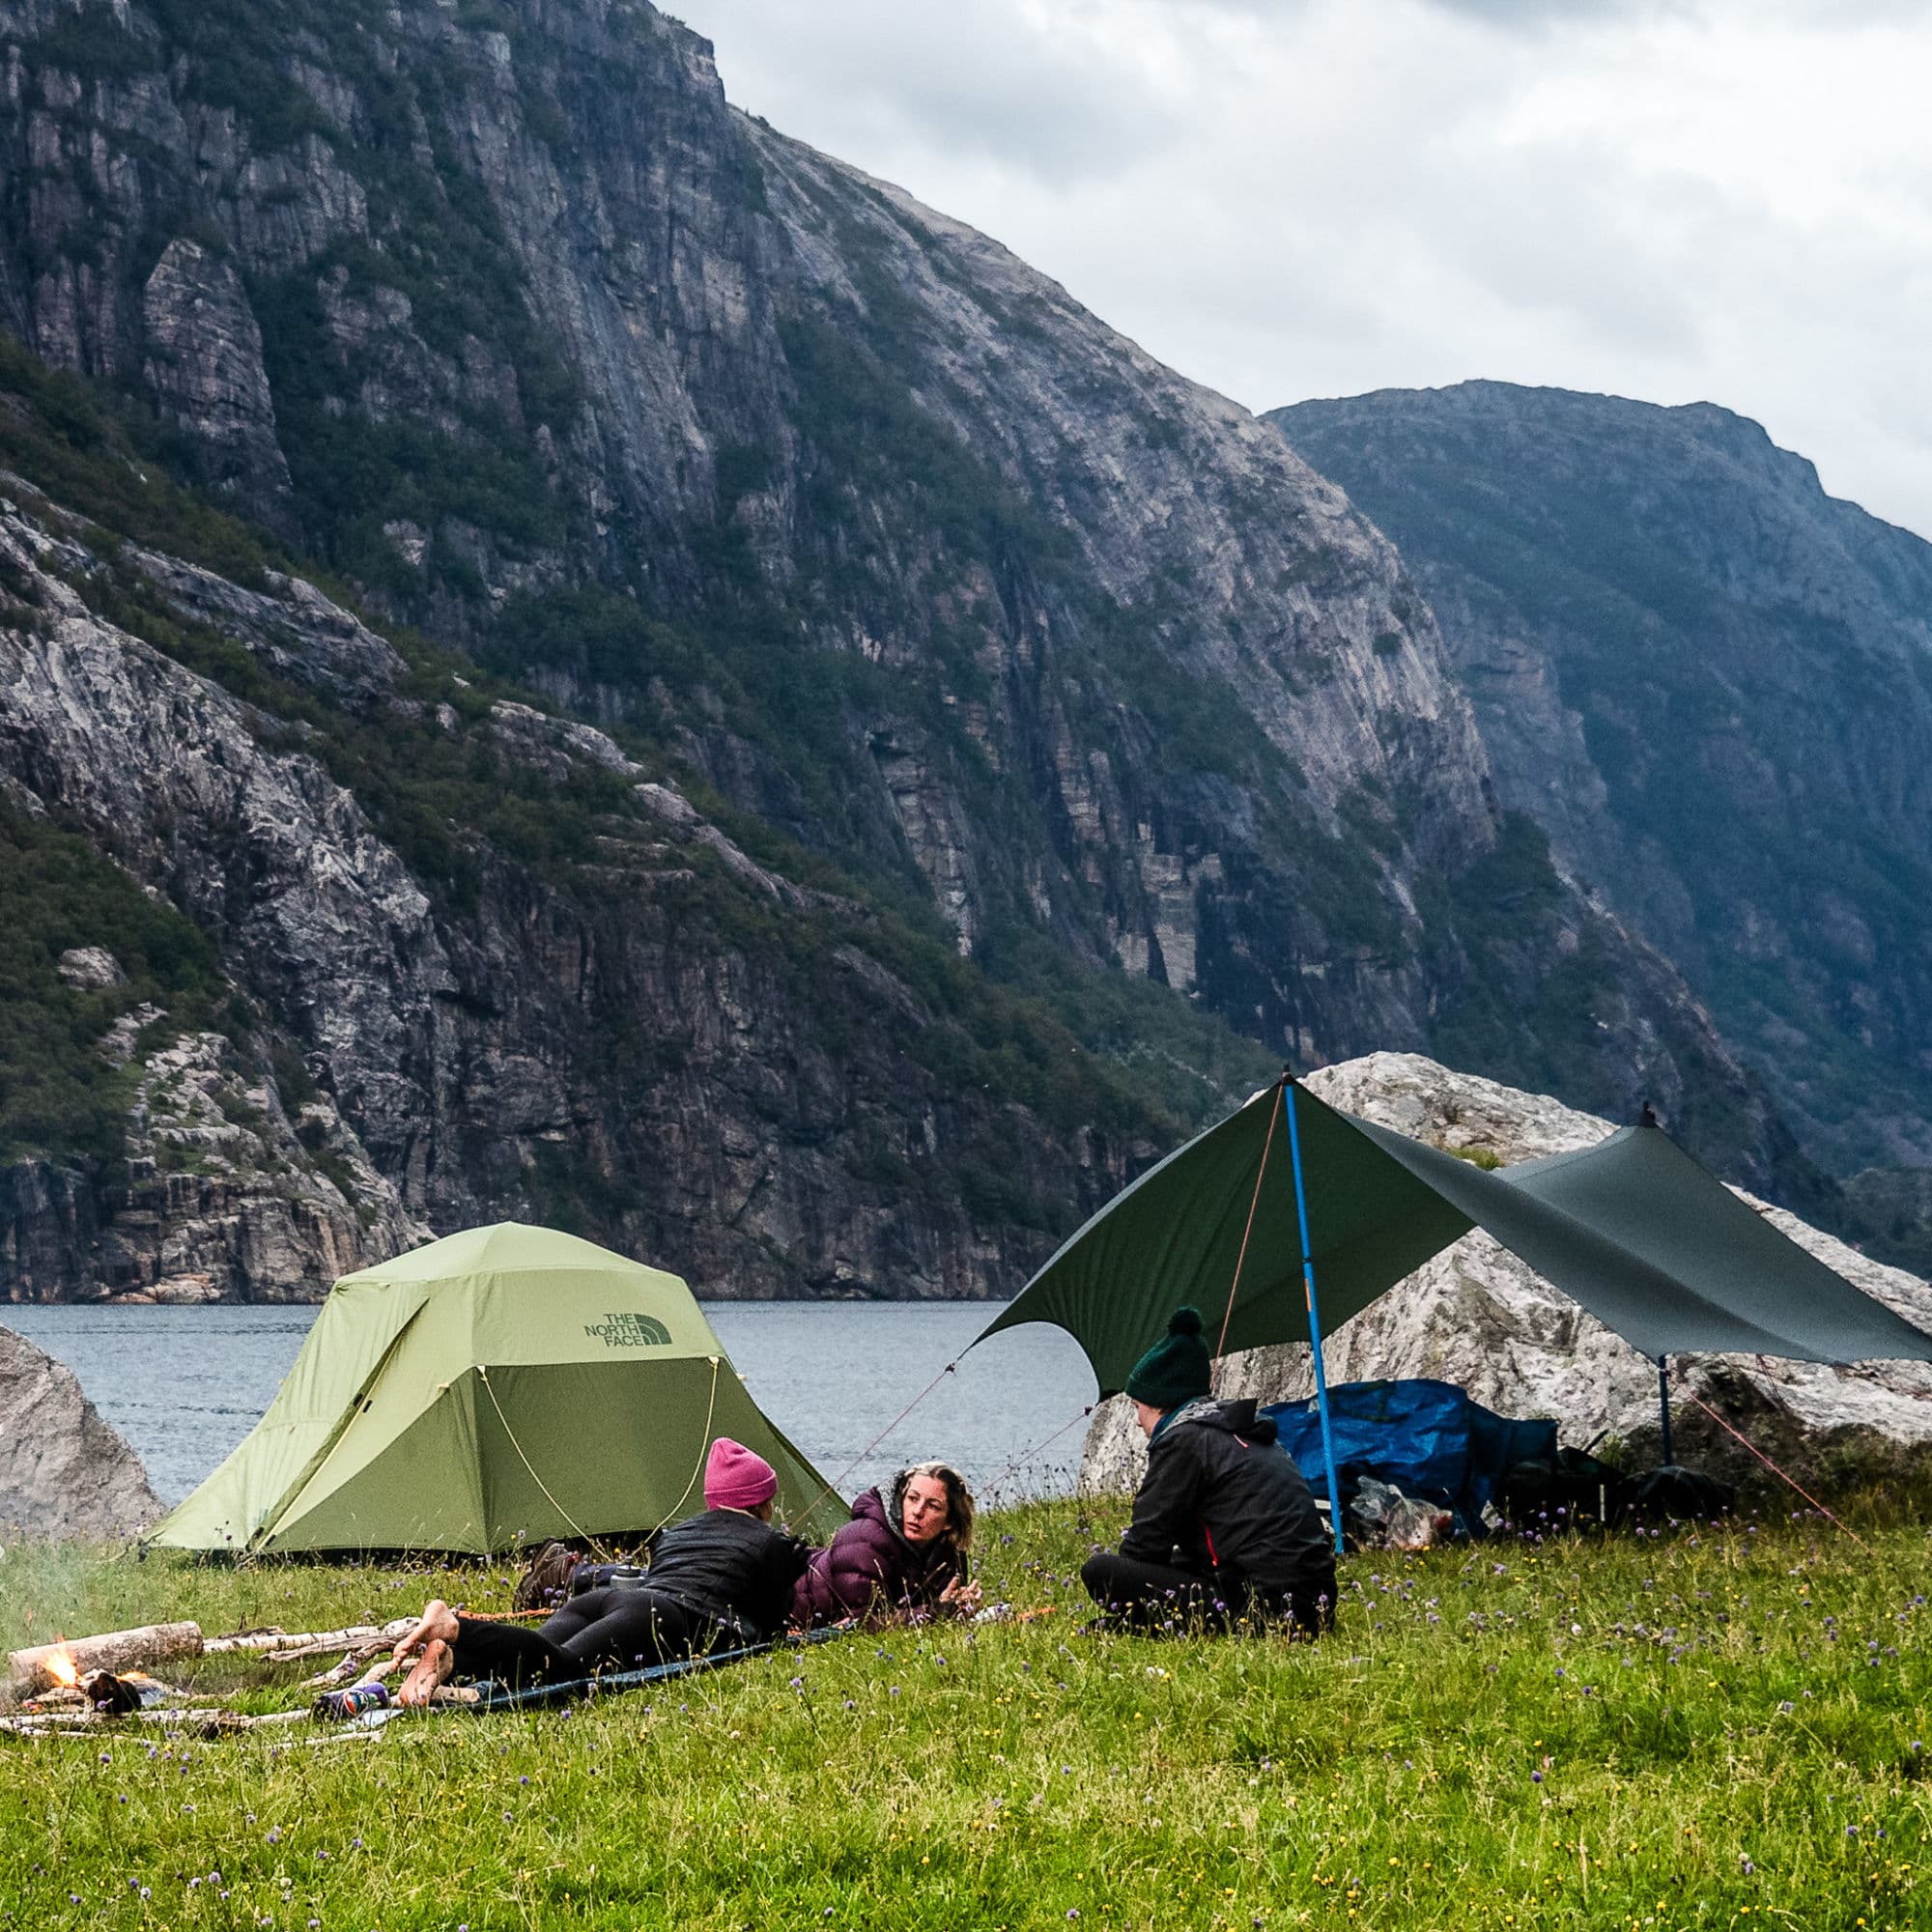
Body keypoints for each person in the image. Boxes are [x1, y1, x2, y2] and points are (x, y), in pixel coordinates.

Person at [391, 1437, 810, 1703]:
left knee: (530, 1660)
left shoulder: (679, 1533)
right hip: (661, 1613)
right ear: (764, 1503)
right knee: (564, 1668)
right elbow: (774, 1621)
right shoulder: (771, 1544)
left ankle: (451, 1659)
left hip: (610, 1599)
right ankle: (454, 1626)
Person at [1080, 1307, 1335, 1637]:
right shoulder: (1239, 1431)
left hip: (1264, 1611)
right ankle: (1148, 1626)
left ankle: (1162, 1626)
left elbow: (1144, 1548)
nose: (1137, 1420)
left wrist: (1134, 1589)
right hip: (1314, 1606)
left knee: (1102, 1572)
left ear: (1159, 1402)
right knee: (1177, 1565)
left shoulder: (1183, 1441)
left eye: (1137, 1407)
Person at [792, 1461, 982, 1627]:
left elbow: (940, 1610)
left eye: (933, 1506)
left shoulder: (948, 1553)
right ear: (901, 1499)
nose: (918, 1511)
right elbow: (863, 1623)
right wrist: (935, 1613)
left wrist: (960, 1605)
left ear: (949, 1522)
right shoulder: (864, 1538)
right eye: (913, 1498)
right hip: (785, 1605)